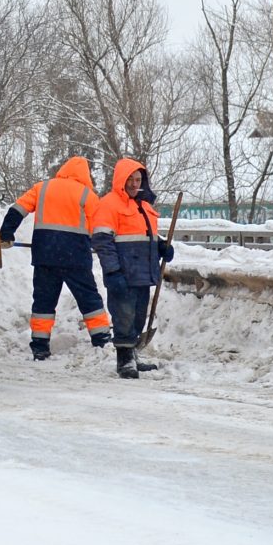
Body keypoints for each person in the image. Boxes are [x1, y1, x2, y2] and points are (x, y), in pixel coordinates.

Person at [0, 156, 112, 360]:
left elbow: (17, 209)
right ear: (85, 175)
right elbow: (100, 226)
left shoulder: (42, 188)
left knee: (43, 301)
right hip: (76, 257)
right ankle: (102, 339)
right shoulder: (88, 194)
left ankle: (40, 345)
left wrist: (6, 233)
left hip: (46, 255)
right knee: (89, 299)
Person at [92, 158, 174, 380]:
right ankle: (124, 360)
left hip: (142, 273)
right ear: (121, 180)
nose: (134, 183)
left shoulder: (144, 206)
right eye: (130, 179)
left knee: (138, 316)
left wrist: (161, 246)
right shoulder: (109, 205)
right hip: (123, 273)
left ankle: (133, 353)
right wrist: (112, 271)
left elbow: (145, 236)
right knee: (124, 316)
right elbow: (102, 241)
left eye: (138, 179)